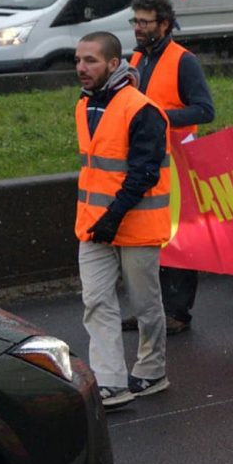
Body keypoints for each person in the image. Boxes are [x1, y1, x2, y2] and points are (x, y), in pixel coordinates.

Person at [72, 31, 172, 410]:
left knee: (145, 306)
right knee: (97, 302)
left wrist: (113, 216)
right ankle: (112, 381)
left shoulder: (142, 110)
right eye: (78, 60)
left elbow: (143, 173)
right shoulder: (84, 105)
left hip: (136, 226)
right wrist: (102, 220)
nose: (82, 68)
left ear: (114, 64)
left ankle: (152, 369)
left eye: (91, 61)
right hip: (94, 225)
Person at [126, 0, 213, 336]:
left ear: (164, 24)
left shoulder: (183, 61)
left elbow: (205, 110)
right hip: (145, 159)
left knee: (178, 239)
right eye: (135, 21)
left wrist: (158, 118)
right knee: (148, 237)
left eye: (144, 22)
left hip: (176, 162)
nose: (138, 28)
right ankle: (150, 310)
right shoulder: (136, 58)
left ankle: (177, 312)